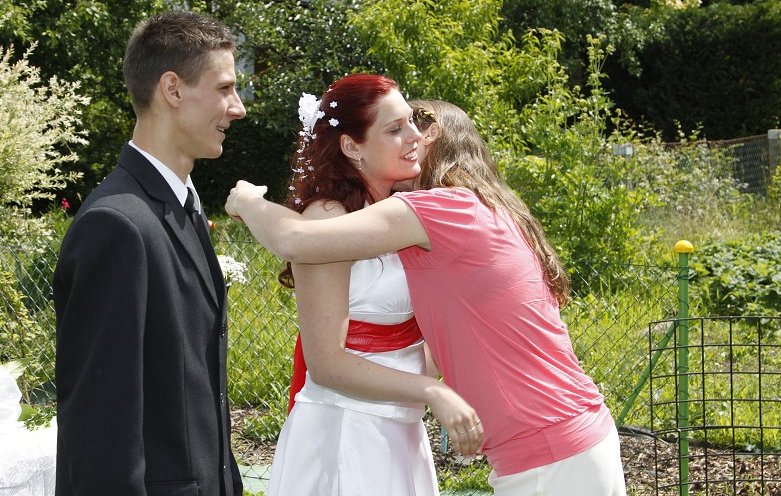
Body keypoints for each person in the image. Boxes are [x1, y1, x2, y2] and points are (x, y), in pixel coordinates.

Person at [225, 99, 628, 496]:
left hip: (548, 455)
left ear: (433, 139)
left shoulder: (440, 209)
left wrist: (247, 201)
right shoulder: (480, 209)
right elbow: (446, 351)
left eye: (411, 130)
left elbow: (295, 240)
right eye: (394, 130)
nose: (407, 142)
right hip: (571, 438)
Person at [52, 10, 247, 495]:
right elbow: (100, 431)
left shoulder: (179, 206)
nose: (238, 108)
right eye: (225, 88)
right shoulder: (116, 225)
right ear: (173, 89)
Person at [263, 75, 482, 496]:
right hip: (346, 430)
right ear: (352, 147)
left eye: (412, 122)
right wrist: (431, 392)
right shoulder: (328, 217)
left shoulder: (405, 212)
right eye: (395, 128)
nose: (414, 136)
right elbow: (326, 365)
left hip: (401, 427)